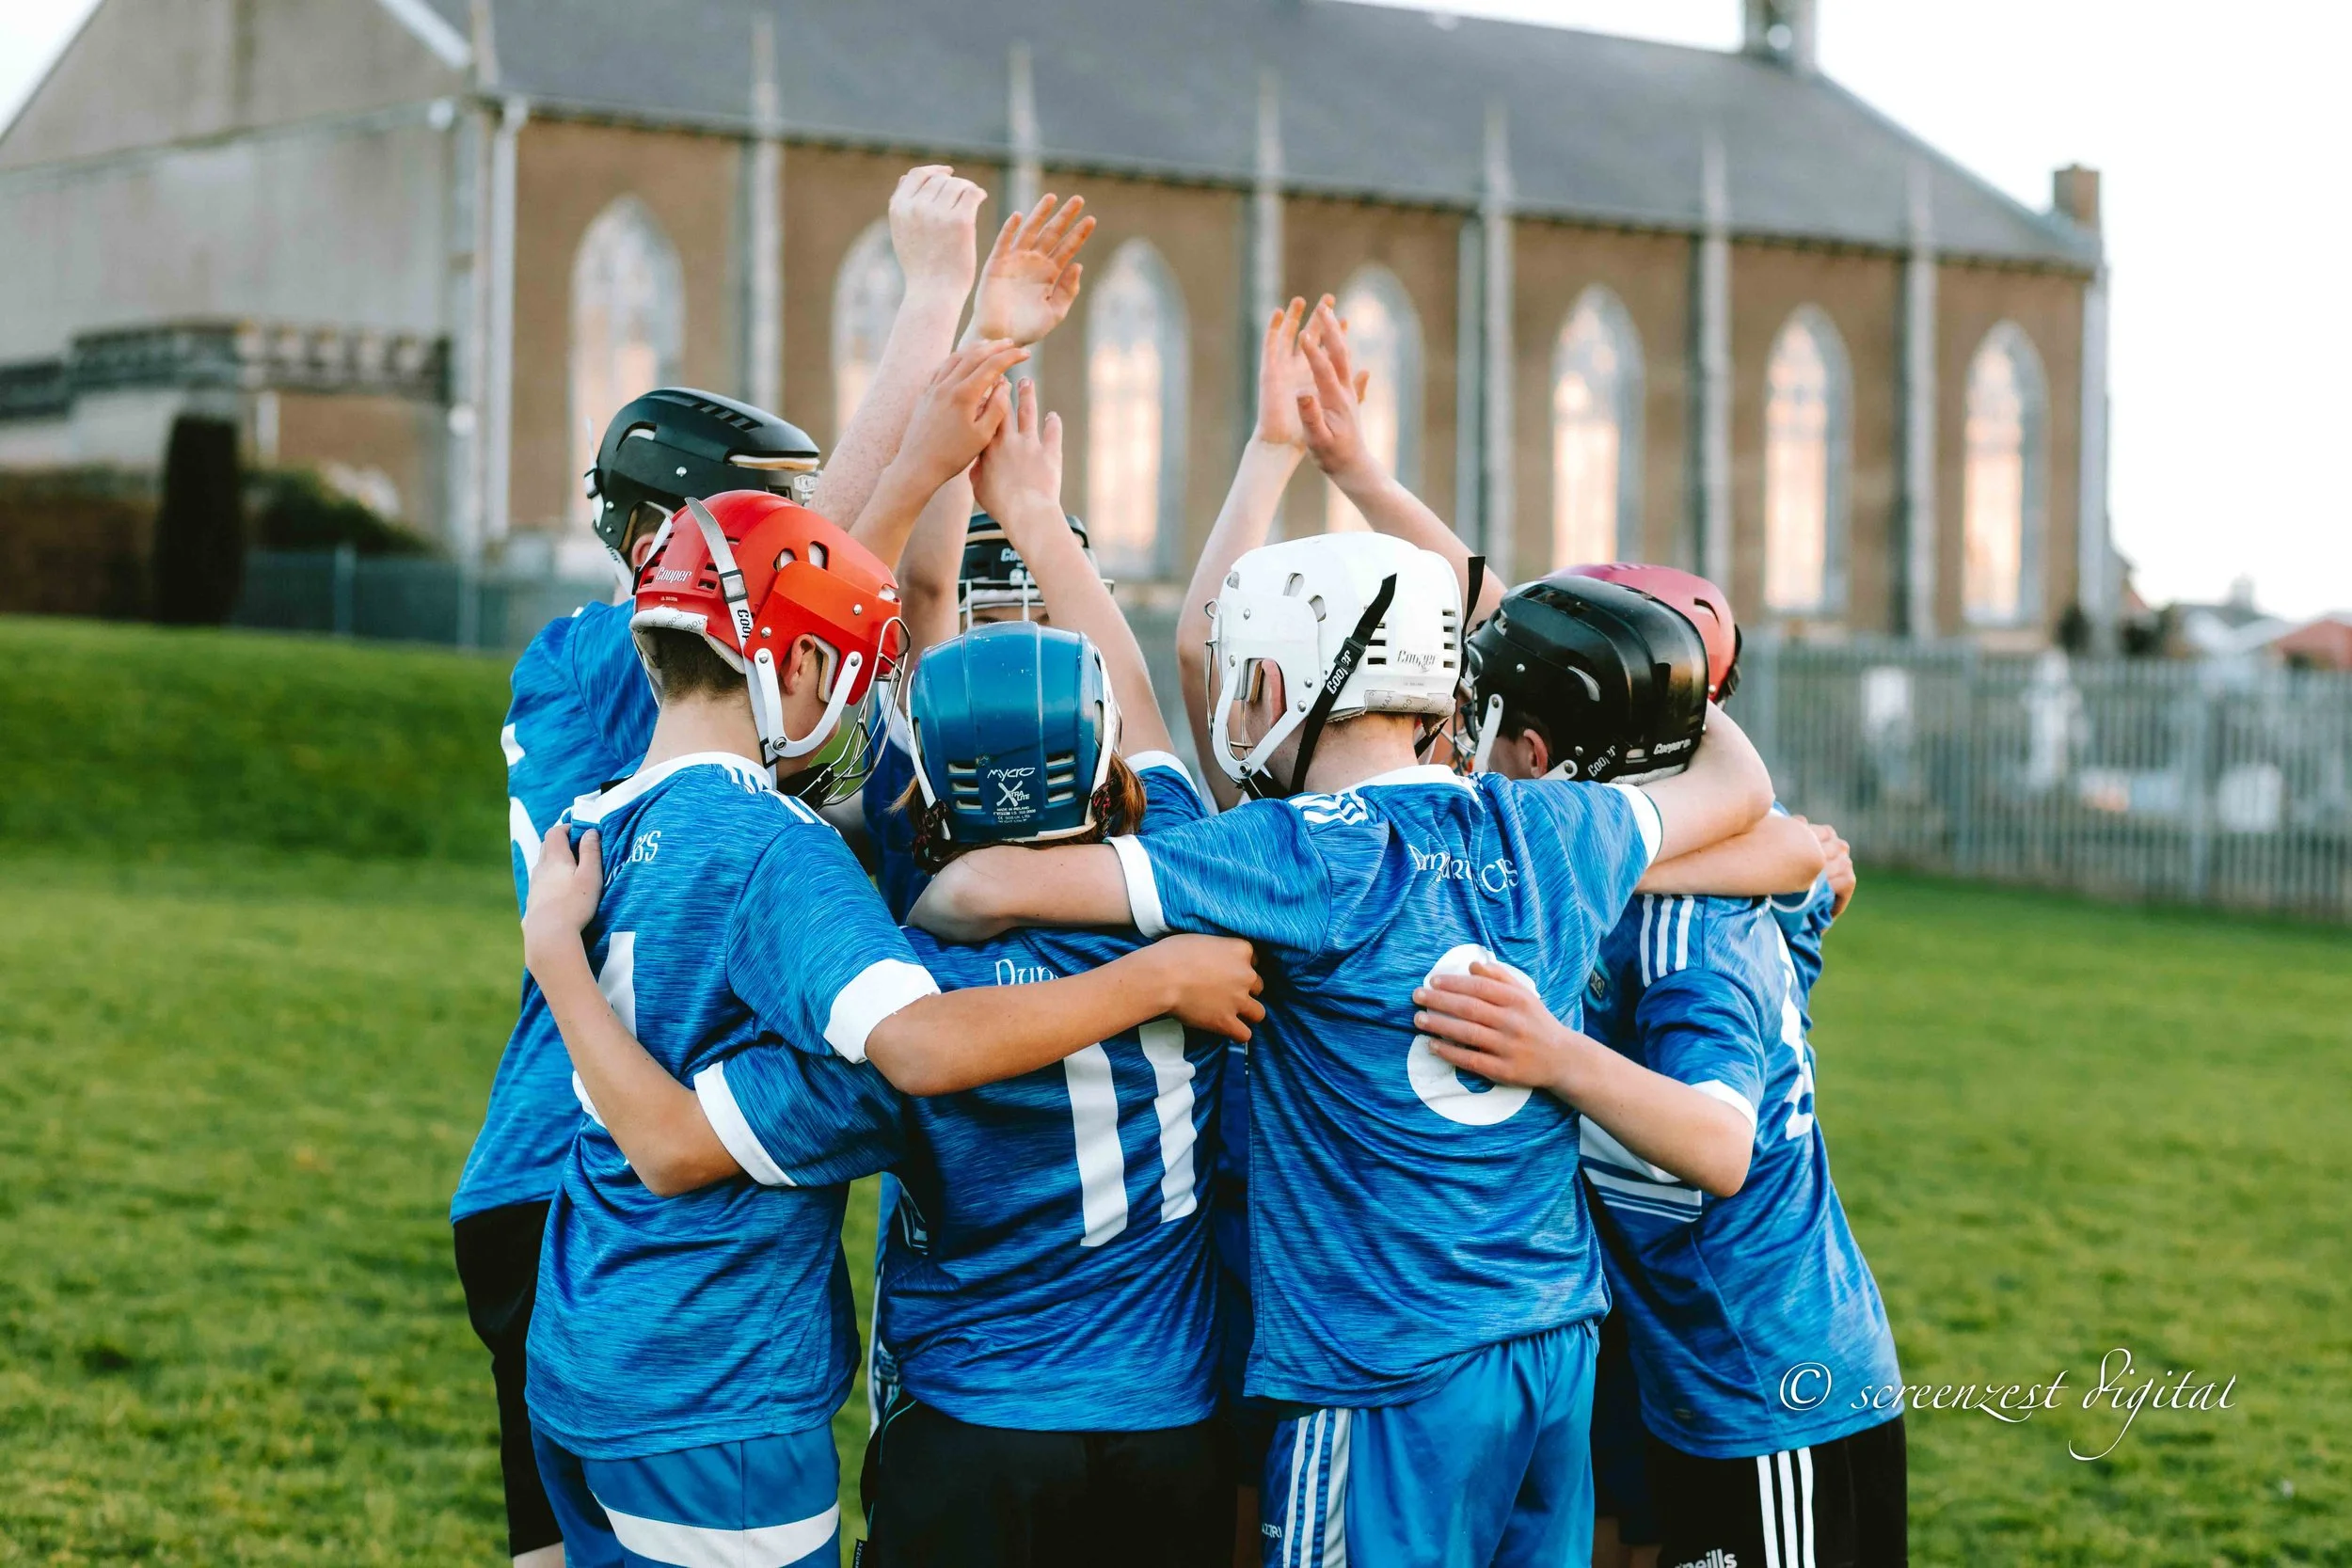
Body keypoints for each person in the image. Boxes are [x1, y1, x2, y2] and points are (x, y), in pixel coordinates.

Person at [516, 487, 1263, 1567]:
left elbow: (701, 1123)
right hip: (750, 1390)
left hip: (628, 1348)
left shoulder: (591, 826)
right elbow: (907, 1043)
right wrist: (1156, 977)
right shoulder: (1185, 884)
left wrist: (554, 961)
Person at [450, 383, 818, 1568]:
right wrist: (934, 315)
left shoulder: (670, 685)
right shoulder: (599, 658)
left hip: (586, 1162)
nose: (801, 547)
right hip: (569, 1167)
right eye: (770, 519)